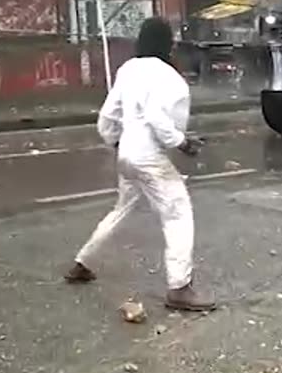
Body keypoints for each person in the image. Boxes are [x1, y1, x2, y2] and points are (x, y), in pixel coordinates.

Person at [64, 17, 216, 312]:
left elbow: (108, 116)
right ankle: (180, 288)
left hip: (126, 153)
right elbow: (158, 118)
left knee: (122, 208)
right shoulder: (170, 78)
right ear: (169, 45)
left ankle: (83, 262)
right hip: (149, 158)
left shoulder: (128, 69)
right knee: (178, 212)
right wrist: (182, 143)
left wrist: (117, 142)